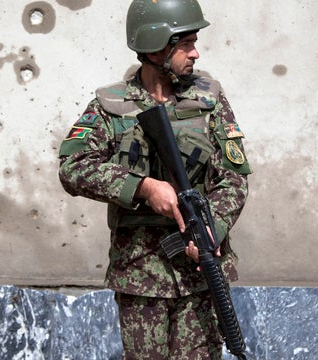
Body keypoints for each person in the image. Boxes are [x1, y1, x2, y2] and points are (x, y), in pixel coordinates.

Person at [58, 0, 251, 358]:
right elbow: (73, 167)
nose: (195, 53)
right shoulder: (111, 106)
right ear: (156, 46)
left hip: (200, 273)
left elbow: (234, 178)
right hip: (140, 276)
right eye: (186, 43)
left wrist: (214, 227)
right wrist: (143, 188)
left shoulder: (208, 99)